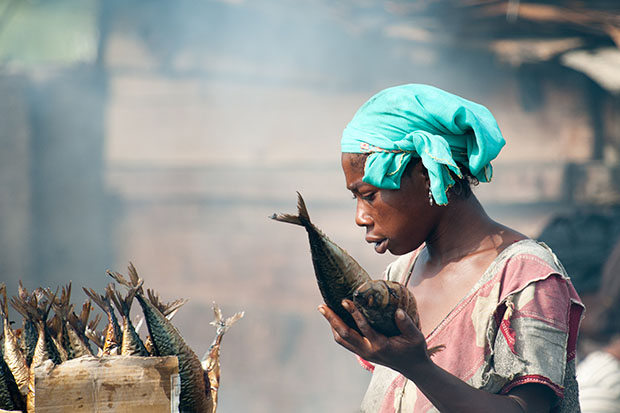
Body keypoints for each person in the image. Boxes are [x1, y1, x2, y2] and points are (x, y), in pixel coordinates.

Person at [317, 84, 583, 412]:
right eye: (355, 198)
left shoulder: (525, 276)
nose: (360, 217)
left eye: (369, 195)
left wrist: (418, 368)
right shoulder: (403, 271)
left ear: (427, 176)